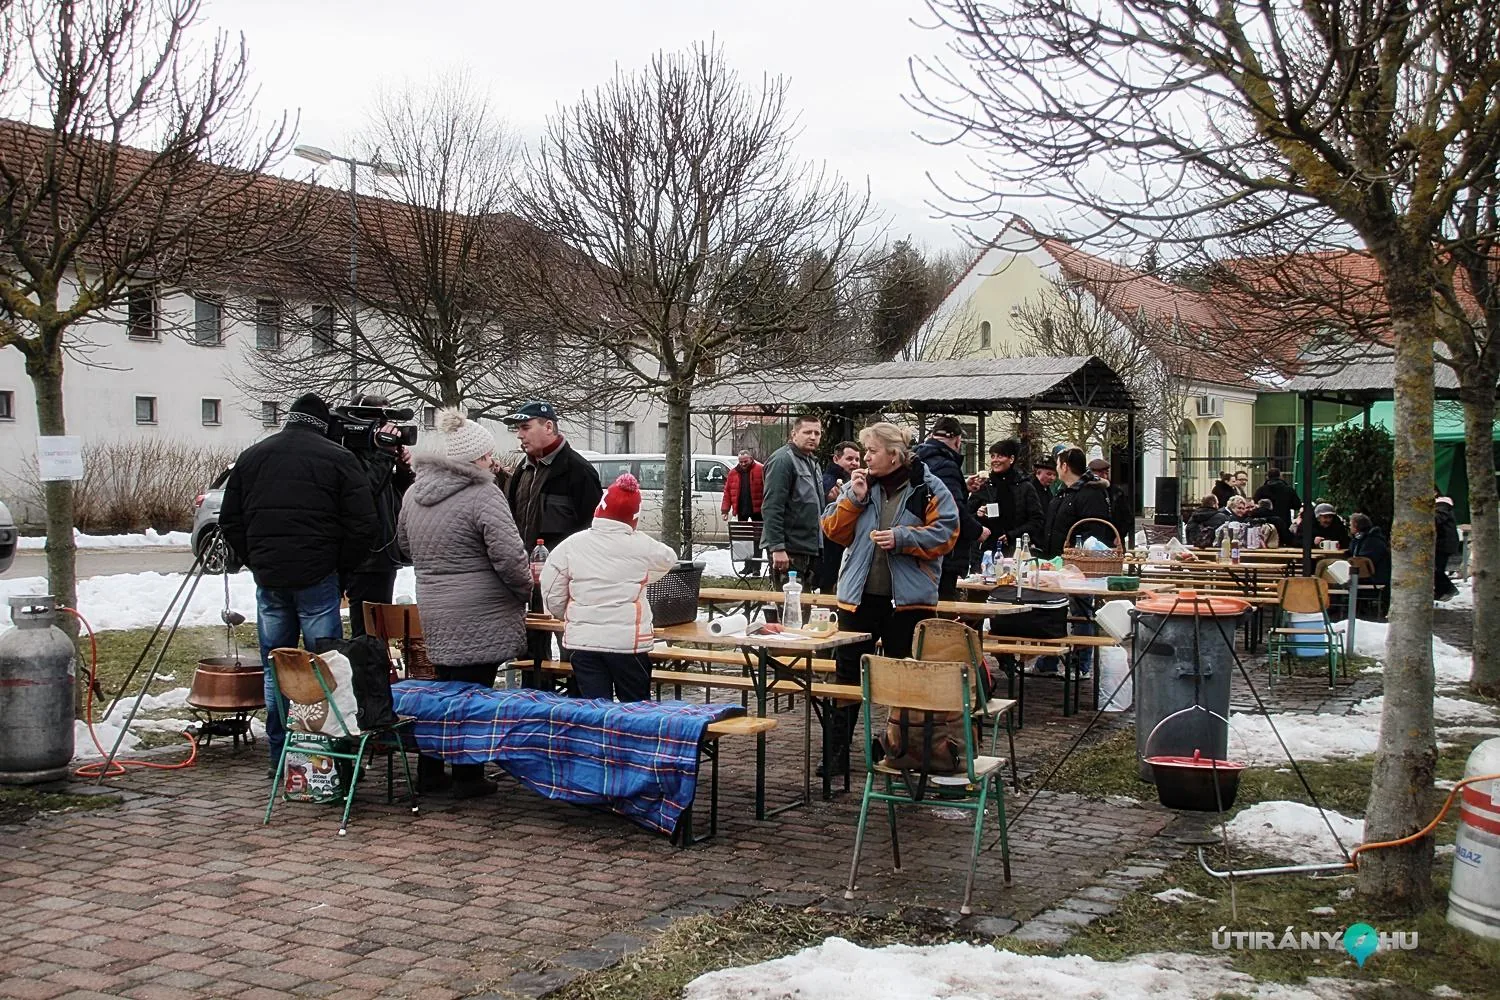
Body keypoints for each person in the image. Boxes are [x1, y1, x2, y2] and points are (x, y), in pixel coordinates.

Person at [218, 393, 376, 769]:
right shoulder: (339, 459)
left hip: (271, 578)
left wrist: (256, 559)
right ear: (324, 424)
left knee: (278, 668)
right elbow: (363, 525)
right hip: (319, 577)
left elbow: (230, 520)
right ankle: (326, 758)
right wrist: (342, 571)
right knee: (325, 666)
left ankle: (281, 755)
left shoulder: (253, 456)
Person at [397, 410, 532, 798]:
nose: (492, 462)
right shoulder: (483, 494)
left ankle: (431, 769)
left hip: (436, 608)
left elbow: (405, 546)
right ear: (474, 460)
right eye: (487, 456)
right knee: (474, 696)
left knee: (444, 691)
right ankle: (468, 775)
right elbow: (508, 555)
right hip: (482, 611)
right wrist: (524, 590)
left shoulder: (414, 493)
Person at [820, 421, 959, 772]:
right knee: (847, 676)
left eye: (871, 451)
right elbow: (831, 529)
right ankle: (835, 755)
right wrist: (853, 498)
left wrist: (903, 538)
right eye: (865, 451)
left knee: (904, 680)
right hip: (858, 598)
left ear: (894, 456)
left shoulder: (928, 488)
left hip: (908, 603)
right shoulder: (861, 486)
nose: (864, 458)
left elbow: (947, 534)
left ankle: (901, 749)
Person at [540, 474, 678, 702]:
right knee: (635, 709)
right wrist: (638, 573)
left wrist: (565, 614)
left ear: (600, 508)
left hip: (584, 642)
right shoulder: (642, 546)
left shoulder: (572, 545)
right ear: (634, 517)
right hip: (629, 645)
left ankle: (595, 738)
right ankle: (633, 738)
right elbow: (667, 558)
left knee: (594, 708)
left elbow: (551, 587)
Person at [502, 401, 604, 675]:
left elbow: (594, 530)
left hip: (568, 584)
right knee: (531, 656)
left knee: (573, 654)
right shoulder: (522, 472)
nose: (520, 435)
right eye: (517, 429)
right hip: (528, 580)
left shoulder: (578, 471)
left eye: (525, 427)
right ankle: (533, 701)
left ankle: (572, 706)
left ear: (549, 427)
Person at [341, 394, 415, 639]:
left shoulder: (379, 458)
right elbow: (365, 492)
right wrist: (383, 454)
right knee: (366, 627)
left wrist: (403, 471)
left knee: (380, 625)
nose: (387, 429)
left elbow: (395, 495)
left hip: (384, 552)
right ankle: (365, 669)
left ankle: (375, 667)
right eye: (380, 422)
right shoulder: (349, 456)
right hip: (365, 556)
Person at [914, 416, 984, 599]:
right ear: (957, 440)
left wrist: (963, 487)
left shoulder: (919, 459)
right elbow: (952, 508)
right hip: (944, 551)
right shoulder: (946, 464)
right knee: (943, 606)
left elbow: (934, 495)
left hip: (919, 544)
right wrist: (977, 531)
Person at [761, 414, 825, 589]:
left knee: (803, 607)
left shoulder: (812, 462)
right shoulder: (783, 460)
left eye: (817, 433)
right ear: (794, 434)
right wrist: (777, 548)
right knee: (790, 608)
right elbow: (772, 507)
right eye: (807, 432)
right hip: (789, 548)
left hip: (808, 546)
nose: (813, 437)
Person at [969, 438, 1044, 560]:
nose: (995, 460)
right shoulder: (983, 485)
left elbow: (1037, 520)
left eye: (1000, 456)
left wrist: (1012, 535)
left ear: (1011, 459)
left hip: (1016, 551)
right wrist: (978, 515)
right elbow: (967, 516)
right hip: (985, 552)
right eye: (992, 456)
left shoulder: (1025, 486)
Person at [1040, 448, 1115, 558]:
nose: (1057, 469)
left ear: (1064, 467)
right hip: (1057, 561)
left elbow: (1093, 533)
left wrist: (1077, 553)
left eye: (1057, 465)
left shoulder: (1091, 494)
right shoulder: (1064, 492)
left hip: (1077, 563)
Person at [815, 440, 862, 592]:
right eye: (849, 459)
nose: (854, 463)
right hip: (833, 547)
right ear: (836, 459)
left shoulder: (854, 479)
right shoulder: (830, 480)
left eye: (857, 459)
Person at [720, 449, 764, 574]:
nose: (743, 464)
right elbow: (727, 492)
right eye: (741, 461)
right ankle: (747, 566)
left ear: (751, 459)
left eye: (745, 461)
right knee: (744, 540)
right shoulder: (733, 473)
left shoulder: (761, 469)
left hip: (758, 511)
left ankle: (756, 567)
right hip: (742, 510)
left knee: (757, 540)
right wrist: (725, 510)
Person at [1347, 512, 1391, 616]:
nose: (1349, 527)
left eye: (1351, 524)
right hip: (1371, 576)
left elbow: (1361, 561)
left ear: (1356, 526)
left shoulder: (1371, 541)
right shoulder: (1363, 538)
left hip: (1374, 577)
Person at [1087, 457, 1134, 551]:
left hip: (1113, 540)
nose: (1104, 476)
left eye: (1106, 473)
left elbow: (1127, 518)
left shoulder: (1116, 492)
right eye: (1100, 473)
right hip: (1091, 542)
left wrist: (1120, 536)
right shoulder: (1085, 492)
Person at [1435, 496, 1461, 600]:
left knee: (1437, 569)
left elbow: (1437, 519)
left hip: (1443, 545)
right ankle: (1441, 591)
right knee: (1437, 569)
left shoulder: (1442, 507)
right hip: (1444, 544)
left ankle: (1449, 589)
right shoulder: (1443, 508)